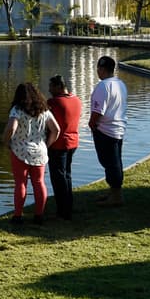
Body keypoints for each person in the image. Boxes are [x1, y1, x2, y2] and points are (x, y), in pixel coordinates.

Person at [2, 82, 60, 224]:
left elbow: (11, 128)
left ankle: (17, 216)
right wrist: (47, 145)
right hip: (39, 151)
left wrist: (5, 141)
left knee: (20, 184)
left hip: (20, 150)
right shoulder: (44, 110)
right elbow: (56, 129)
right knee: (39, 183)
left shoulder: (17, 109)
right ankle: (39, 215)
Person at [88, 54, 127, 205]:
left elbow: (98, 111)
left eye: (98, 68)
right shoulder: (120, 84)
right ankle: (114, 192)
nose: (97, 71)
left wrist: (92, 125)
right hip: (118, 128)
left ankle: (116, 196)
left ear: (102, 69)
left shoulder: (103, 86)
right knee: (115, 162)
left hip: (105, 130)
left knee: (110, 163)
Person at [46, 74, 82, 220]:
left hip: (58, 144)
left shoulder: (53, 103)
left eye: (51, 87)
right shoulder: (77, 100)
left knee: (58, 178)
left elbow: (46, 123)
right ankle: (68, 206)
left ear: (59, 87)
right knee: (67, 175)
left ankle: (63, 211)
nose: (49, 90)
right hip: (73, 142)